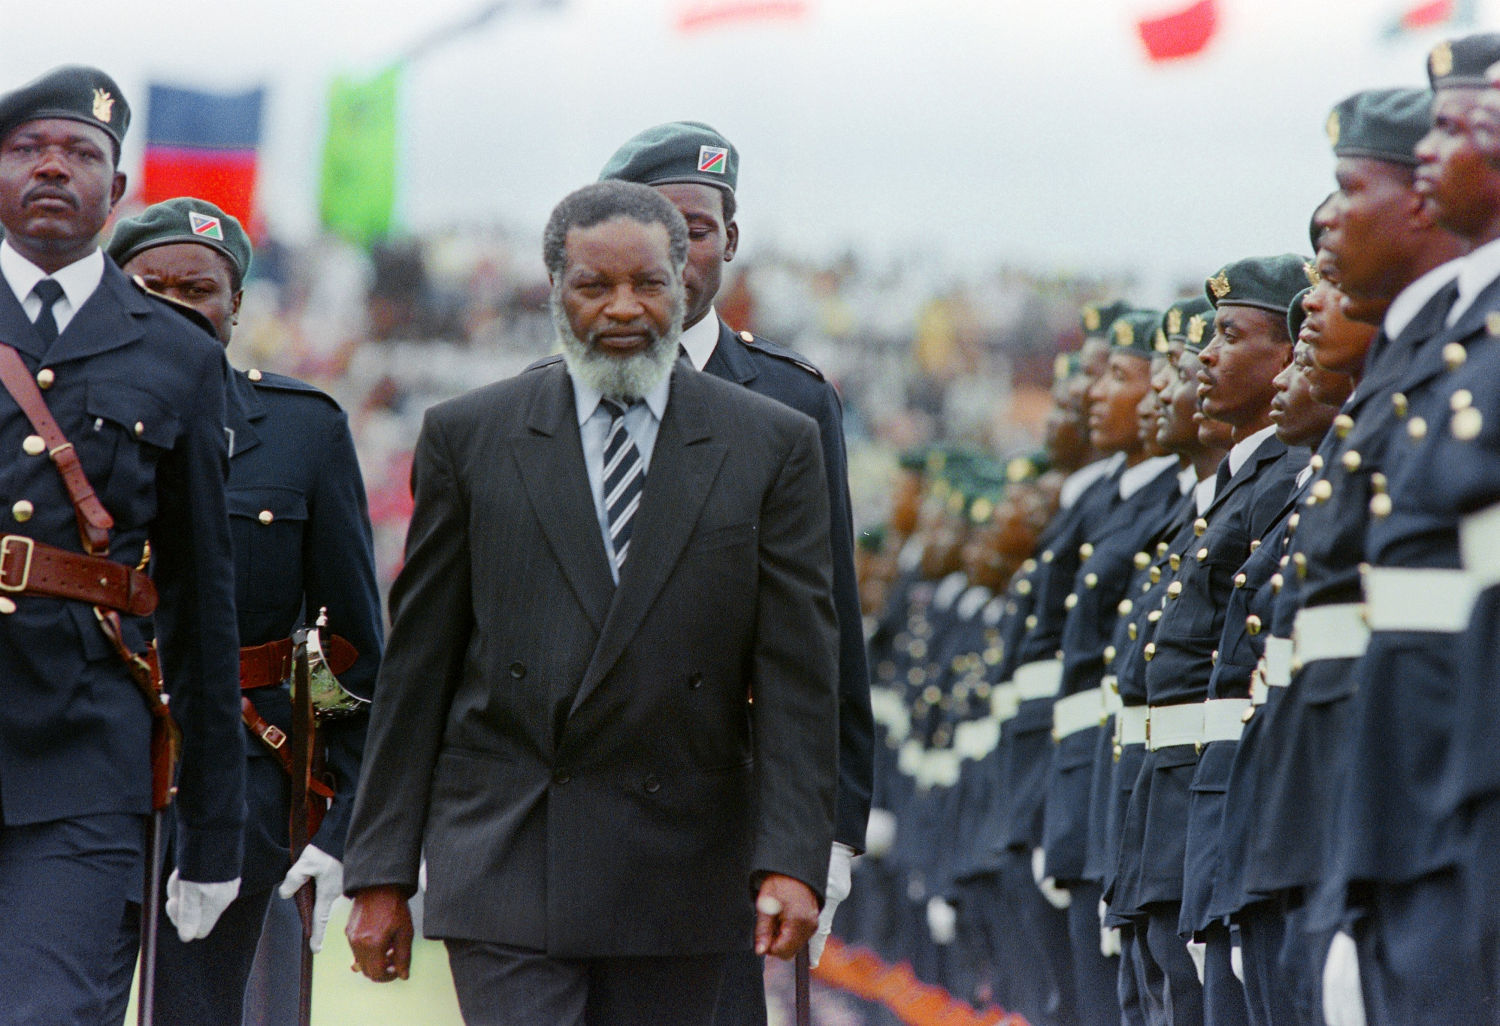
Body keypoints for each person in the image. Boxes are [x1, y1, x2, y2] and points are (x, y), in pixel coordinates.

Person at [340, 180, 839, 1026]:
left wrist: (793, 858)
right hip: (506, 851)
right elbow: (418, 667)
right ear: (553, 293)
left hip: (682, 860)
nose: (622, 308)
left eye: (648, 284)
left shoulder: (772, 445)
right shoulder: (470, 435)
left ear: (685, 286)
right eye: (592, 286)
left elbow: (797, 671)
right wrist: (380, 870)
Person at [597, 123, 871, 1024]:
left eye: (700, 227)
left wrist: (829, 834)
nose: (680, 251)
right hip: (588, 797)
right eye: (657, 227)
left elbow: (828, 626)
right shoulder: (556, 393)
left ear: (732, 241)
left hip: (732, 804)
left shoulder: (793, 400)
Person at [0, 66, 244, 1025]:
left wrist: (213, 829)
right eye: (27, 150)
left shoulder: (179, 355)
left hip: (83, 753)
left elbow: (201, 596)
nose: (53, 169)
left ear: (119, 190)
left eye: (82, 155)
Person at [104, 197, 384, 1026]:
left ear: (236, 309)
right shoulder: (62, 423)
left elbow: (353, 652)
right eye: (151, 287)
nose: (177, 307)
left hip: (242, 781)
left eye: (200, 290)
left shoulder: (305, 430)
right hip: (86, 764)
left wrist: (345, 825)